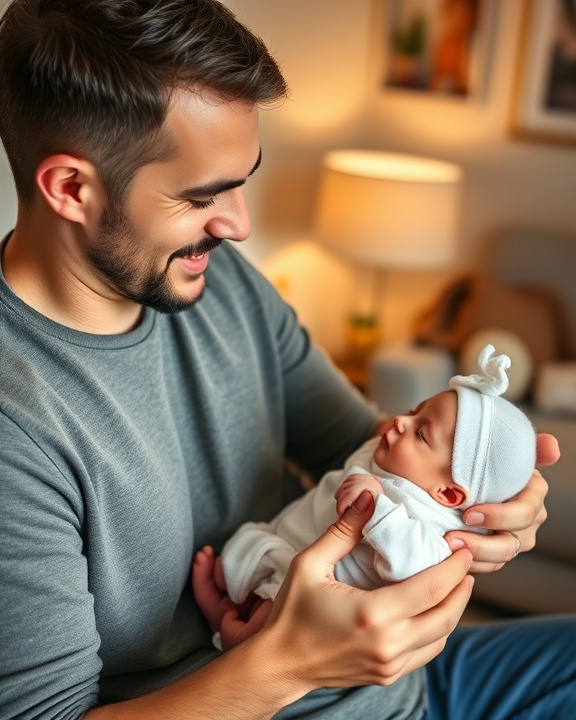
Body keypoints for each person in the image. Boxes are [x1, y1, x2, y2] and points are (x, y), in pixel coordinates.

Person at [0, 1, 572, 719]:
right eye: (202, 195)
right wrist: (287, 665)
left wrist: (489, 512)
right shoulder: (16, 424)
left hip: (415, 687)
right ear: (72, 189)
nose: (240, 224)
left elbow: (363, 446)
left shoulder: (217, 279)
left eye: (243, 180)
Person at [218, 344, 536, 611]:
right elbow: (367, 439)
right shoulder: (391, 458)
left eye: (421, 434)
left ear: (448, 495)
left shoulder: (436, 531)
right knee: (233, 563)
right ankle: (222, 604)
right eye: (413, 412)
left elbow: (411, 564)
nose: (399, 421)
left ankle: (238, 632)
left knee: (272, 611)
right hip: (286, 542)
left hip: (316, 599)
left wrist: (379, 507)